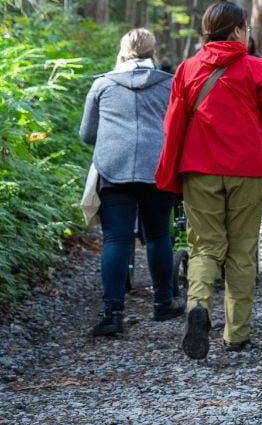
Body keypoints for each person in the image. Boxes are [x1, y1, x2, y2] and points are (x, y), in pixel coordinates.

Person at [156, 2, 262, 360]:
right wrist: (250, 144)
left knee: (205, 247)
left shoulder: (187, 69)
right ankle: (236, 334)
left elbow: (173, 122)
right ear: (238, 30)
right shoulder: (256, 68)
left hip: (199, 168)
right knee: (242, 251)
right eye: (246, 28)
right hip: (246, 170)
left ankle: (198, 306)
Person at [80, 28, 183, 336]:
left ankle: (112, 314)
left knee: (115, 240)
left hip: (113, 169)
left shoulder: (103, 83)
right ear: (154, 52)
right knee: (157, 237)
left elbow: (87, 134)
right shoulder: (169, 84)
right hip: (157, 169)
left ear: (122, 51)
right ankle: (163, 303)